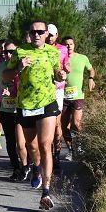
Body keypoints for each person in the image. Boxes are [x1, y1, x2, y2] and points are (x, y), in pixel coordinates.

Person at [3, 20, 65, 210]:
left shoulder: (53, 52)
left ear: (47, 34)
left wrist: (61, 75)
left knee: (46, 145)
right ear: (29, 33)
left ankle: (46, 192)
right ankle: (36, 168)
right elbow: (5, 76)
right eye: (33, 31)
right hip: (26, 105)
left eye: (40, 32)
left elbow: (57, 73)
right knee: (31, 145)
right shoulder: (20, 51)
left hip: (47, 102)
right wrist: (18, 68)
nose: (37, 35)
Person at [0, 39, 28, 180]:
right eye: (5, 51)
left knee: (22, 143)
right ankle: (17, 169)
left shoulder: (24, 67)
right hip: (6, 110)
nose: (8, 54)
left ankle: (26, 166)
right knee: (10, 142)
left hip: (22, 110)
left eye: (12, 51)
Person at [60, 36, 95, 161]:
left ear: (74, 45)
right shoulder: (59, 58)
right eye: (66, 44)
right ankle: (70, 150)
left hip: (77, 96)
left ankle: (79, 145)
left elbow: (91, 70)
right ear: (63, 46)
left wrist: (91, 79)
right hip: (62, 96)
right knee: (63, 126)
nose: (69, 46)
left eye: (71, 44)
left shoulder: (82, 58)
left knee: (76, 123)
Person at [46, 24, 70, 168]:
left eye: (52, 35)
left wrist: (66, 71)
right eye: (47, 35)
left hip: (57, 90)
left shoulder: (62, 49)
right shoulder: (39, 49)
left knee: (56, 123)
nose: (49, 38)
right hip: (43, 89)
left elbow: (66, 65)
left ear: (57, 35)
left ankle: (57, 154)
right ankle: (46, 153)